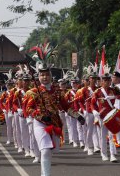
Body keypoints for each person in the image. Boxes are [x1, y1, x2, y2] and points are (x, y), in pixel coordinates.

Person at [26, 43, 85, 176]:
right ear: (38, 76)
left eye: (47, 75)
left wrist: (78, 116)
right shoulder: (33, 92)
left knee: (49, 151)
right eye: (42, 75)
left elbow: (66, 107)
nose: (44, 77)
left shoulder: (57, 92)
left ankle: (44, 173)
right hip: (39, 124)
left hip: (54, 123)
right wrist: (40, 116)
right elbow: (28, 109)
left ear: (50, 75)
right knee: (45, 149)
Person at [90, 64, 120, 162]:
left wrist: (114, 97)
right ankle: (103, 154)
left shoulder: (114, 90)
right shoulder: (97, 92)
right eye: (105, 80)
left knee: (112, 135)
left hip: (112, 115)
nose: (107, 82)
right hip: (102, 116)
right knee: (103, 135)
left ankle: (112, 155)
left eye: (108, 80)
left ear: (110, 81)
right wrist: (94, 111)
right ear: (102, 81)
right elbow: (92, 103)